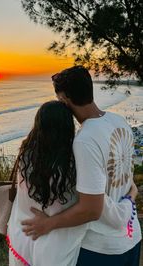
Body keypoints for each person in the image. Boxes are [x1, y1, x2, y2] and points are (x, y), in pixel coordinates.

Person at [22, 66, 142, 266]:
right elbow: (124, 178)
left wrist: (48, 224)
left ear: (64, 100)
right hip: (132, 235)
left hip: (102, 249)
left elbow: (91, 210)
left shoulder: (85, 140)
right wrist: (132, 193)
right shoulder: (118, 121)